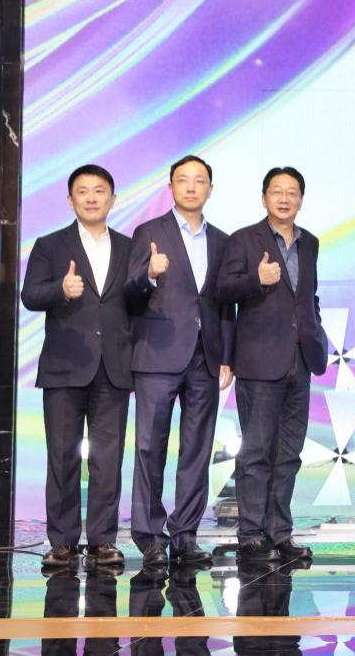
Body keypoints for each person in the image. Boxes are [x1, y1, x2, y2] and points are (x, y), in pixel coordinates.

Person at [124, 155, 236, 568]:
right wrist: (149, 274)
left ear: (210, 189)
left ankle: (185, 535)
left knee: (197, 450)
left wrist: (227, 356)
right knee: (149, 447)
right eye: (183, 180)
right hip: (157, 353)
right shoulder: (149, 233)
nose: (191, 187)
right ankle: (150, 536)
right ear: (170, 187)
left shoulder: (223, 241)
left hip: (206, 356)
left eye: (199, 180)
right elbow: (128, 293)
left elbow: (225, 303)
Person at [21, 165, 133, 570]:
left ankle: (103, 540)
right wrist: (60, 289)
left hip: (114, 368)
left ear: (113, 199)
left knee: (107, 459)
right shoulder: (50, 245)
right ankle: (62, 542)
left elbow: (136, 302)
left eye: (99, 190)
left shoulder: (130, 247)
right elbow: (29, 295)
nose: (91, 197)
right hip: (65, 366)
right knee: (62, 457)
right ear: (70, 201)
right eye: (82, 191)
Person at [217, 167, 328, 562]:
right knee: (256, 453)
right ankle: (250, 535)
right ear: (264, 197)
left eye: (292, 192)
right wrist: (257, 279)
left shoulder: (310, 242)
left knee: (289, 454)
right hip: (259, 361)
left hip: (301, 360)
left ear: (301, 199)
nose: (284, 199)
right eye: (277, 191)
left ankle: (280, 533)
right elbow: (223, 291)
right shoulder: (243, 239)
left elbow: (308, 296)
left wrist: (316, 331)